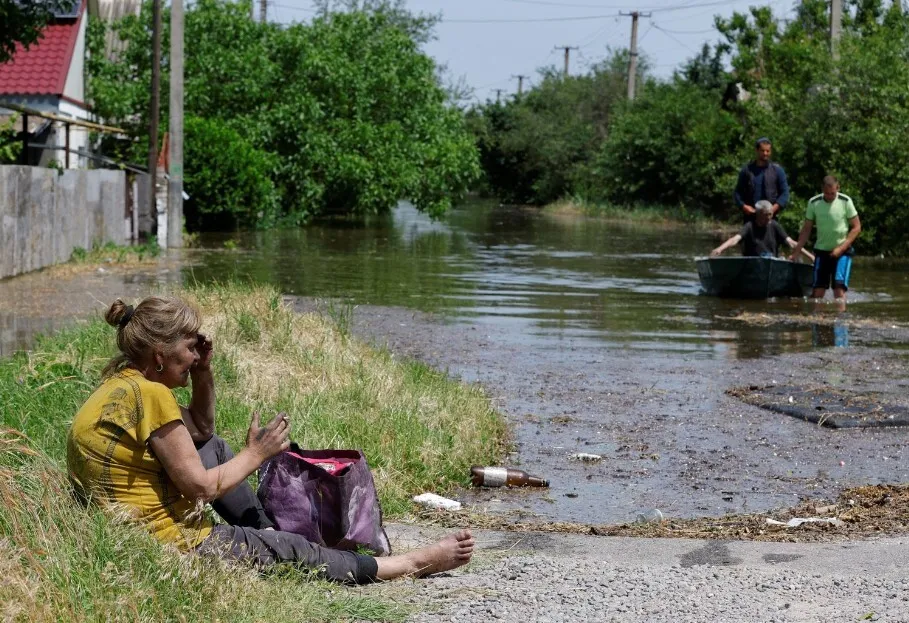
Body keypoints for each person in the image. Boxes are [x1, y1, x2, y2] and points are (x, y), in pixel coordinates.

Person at [67, 296, 474, 584]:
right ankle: (411, 564)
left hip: (130, 529)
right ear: (160, 353)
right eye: (191, 348)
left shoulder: (123, 387)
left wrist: (204, 372)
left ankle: (270, 537)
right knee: (298, 555)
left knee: (214, 450)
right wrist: (257, 453)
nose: (196, 354)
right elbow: (202, 487)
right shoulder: (152, 395)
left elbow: (203, 434)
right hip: (169, 544)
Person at [789, 176, 862, 303]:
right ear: (822, 189)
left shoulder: (845, 201)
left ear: (838, 188)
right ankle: (818, 321)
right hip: (822, 251)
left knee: (838, 290)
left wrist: (841, 248)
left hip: (842, 252)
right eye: (827, 193)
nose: (830, 196)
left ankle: (840, 321)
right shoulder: (814, 202)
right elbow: (806, 229)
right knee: (818, 292)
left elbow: (857, 227)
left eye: (832, 193)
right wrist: (796, 251)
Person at [710, 201, 812, 260]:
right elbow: (734, 239)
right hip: (752, 263)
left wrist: (811, 257)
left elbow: (792, 243)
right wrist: (720, 249)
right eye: (765, 215)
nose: (768, 217)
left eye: (770, 214)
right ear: (758, 214)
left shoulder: (775, 226)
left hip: (772, 262)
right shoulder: (749, 226)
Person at [734, 137, 790, 222]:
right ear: (756, 151)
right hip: (751, 217)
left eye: (768, 151)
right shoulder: (747, 171)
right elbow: (737, 192)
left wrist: (773, 209)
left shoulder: (777, 171)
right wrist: (744, 206)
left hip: (771, 218)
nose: (765, 153)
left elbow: (785, 193)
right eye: (762, 151)